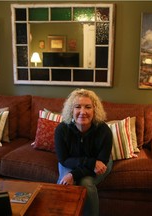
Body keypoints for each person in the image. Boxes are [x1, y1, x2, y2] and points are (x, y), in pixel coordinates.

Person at [55, 88, 113, 216]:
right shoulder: (61, 129)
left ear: (95, 110)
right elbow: (64, 159)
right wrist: (90, 163)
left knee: (86, 183)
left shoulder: (104, 131)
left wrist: (73, 175)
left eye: (88, 107)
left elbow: (101, 161)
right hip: (73, 162)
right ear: (71, 110)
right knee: (63, 184)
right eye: (78, 107)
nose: (83, 112)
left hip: (101, 162)